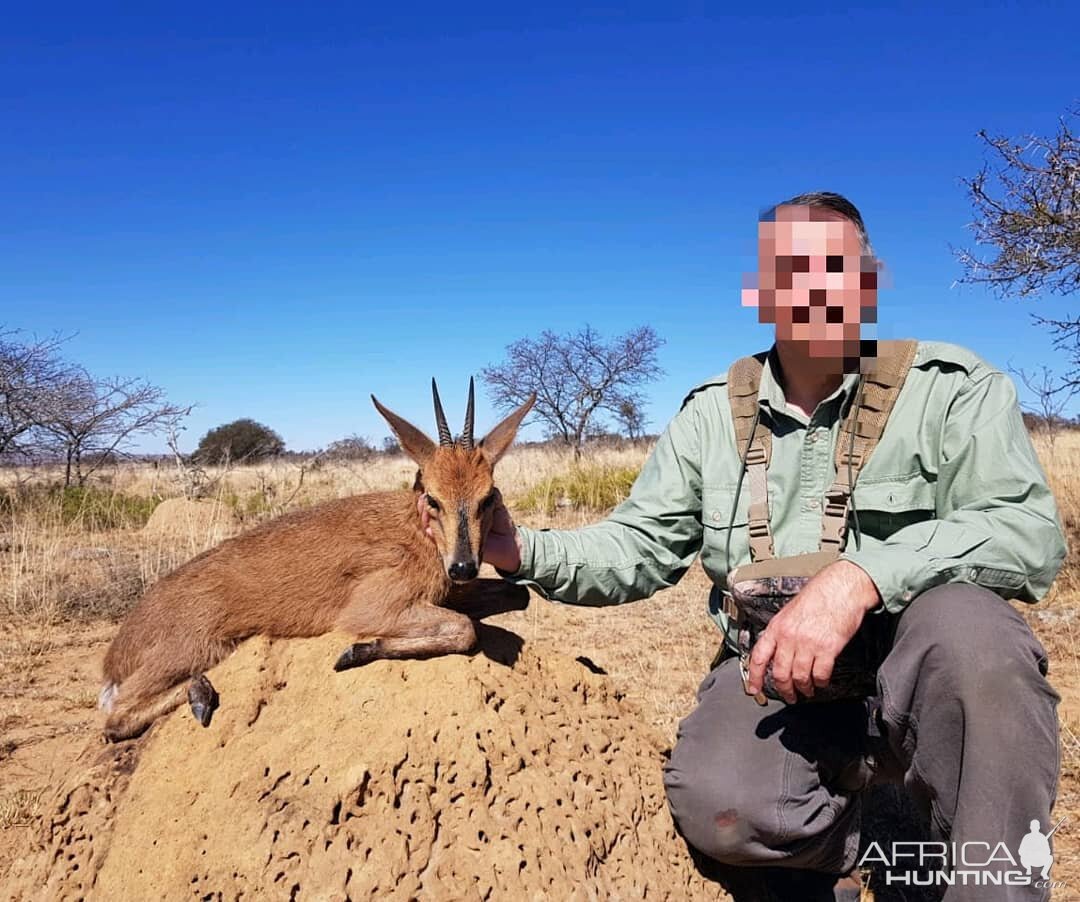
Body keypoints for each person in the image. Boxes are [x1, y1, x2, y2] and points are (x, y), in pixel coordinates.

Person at [426, 192, 1067, 901]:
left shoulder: (951, 389)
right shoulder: (708, 413)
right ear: (759, 293)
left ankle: (991, 881)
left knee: (978, 642)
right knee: (722, 811)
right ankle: (855, 836)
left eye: (837, 268)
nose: (816, 288)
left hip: (916, 673)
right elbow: (638, 546)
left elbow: (1027, 533)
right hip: (777, 678)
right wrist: (520, 553)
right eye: (791, 271)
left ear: (870, 283)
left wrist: (860, 578)